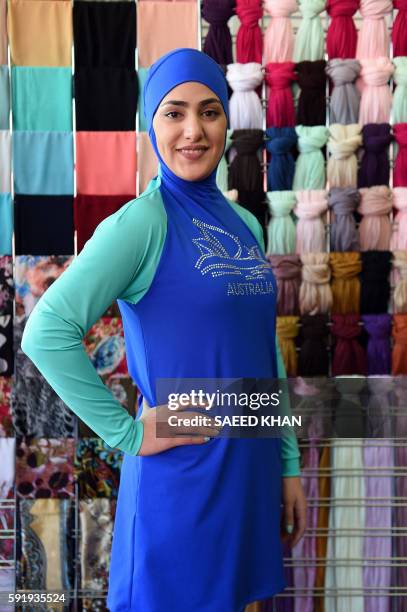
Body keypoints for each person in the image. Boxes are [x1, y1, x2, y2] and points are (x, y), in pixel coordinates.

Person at [21, 48, 307, 611]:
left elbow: (262, 348)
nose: (193, 131)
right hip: (183, 479)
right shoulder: (141, 223)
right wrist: (127, 434)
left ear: (227, 119)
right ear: (151, 123)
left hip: (249, 473)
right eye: (174, 113)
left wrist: (287, 464)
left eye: (209, 111)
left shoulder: (245, 223)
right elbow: (46, 331)